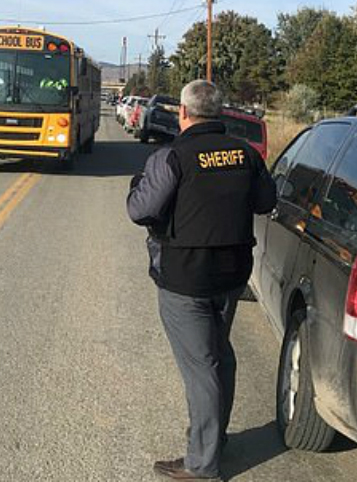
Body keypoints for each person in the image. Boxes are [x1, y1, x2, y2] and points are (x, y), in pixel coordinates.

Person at [127, 80, 277, 481]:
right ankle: (214, 440)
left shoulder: (173, 156)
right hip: (232, 274)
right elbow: (267, 201)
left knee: (201, 368)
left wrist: (136, 184)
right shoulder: (246, 154)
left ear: (183, 112)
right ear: (220, 112)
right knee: (219, 355)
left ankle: (202, 465)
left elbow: (140, 210)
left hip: (185, 278)